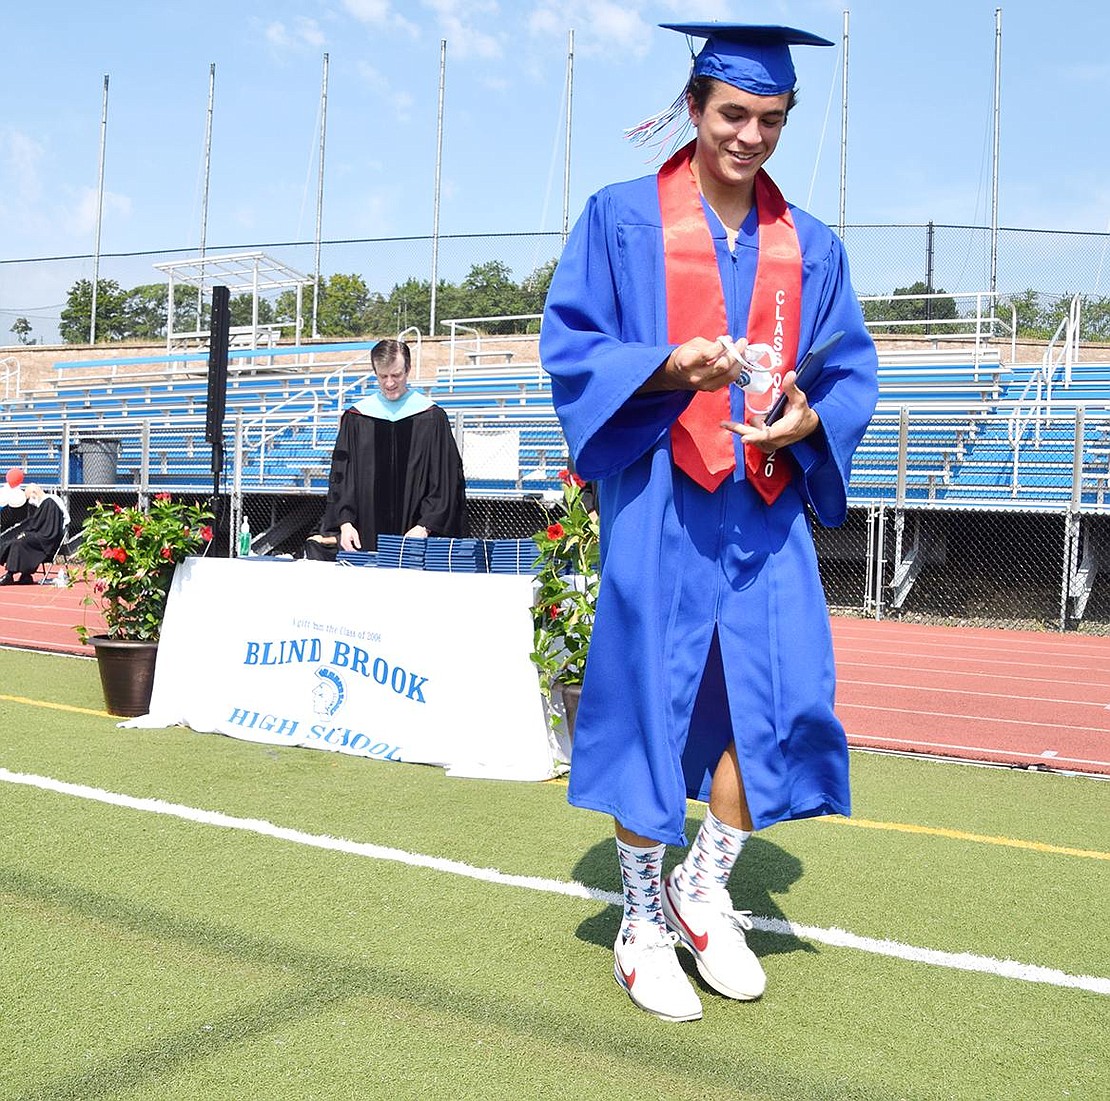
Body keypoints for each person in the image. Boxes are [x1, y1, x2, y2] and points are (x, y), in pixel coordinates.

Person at [540, 22, 879, 1022]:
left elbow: (848, 365)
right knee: (653, 695)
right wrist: (667, 366)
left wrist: (811, 415)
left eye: (771, 118)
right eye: (735, 113)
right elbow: (571, 342)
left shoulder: (810, 245)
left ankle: (702, 885)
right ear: (694, 110)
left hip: (764, 507)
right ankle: (641, 915)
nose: (751, 135)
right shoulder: (620, 219)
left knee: (786, 700)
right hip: (662, 495)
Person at [309, 338, 468, 557]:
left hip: (418, 538)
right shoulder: (357, 418)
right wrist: (345, 523)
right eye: (383, 376)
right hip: (364, 536)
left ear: (409, 370)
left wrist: (425, 526)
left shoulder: (432, 418)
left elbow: (446, 480)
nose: (390, 383)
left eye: (396, 375)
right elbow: (342, 479)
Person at [0, 483, 67, 585]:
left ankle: (10, 575)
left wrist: (27, 534)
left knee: (19, 543)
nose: (30, 501)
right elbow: (36, 524)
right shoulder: (45, 504)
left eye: (29, 497)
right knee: (18, 541)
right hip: (42, 537)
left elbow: (47, 528)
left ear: (34, 493)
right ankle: (25, 575)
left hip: (48, 540)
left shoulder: (50, 503)